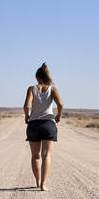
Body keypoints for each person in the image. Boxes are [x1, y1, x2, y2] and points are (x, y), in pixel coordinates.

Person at [23, 63, 63, 191]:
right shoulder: (52, 89)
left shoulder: (31, 89)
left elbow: (26, 106)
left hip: (34, 124)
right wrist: (58, 116)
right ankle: (43, 184)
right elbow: (60, 104)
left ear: (36, 77)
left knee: (35, 156)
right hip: (48, 124)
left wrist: (26, 116)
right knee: (47, 155)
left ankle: (38, 180)